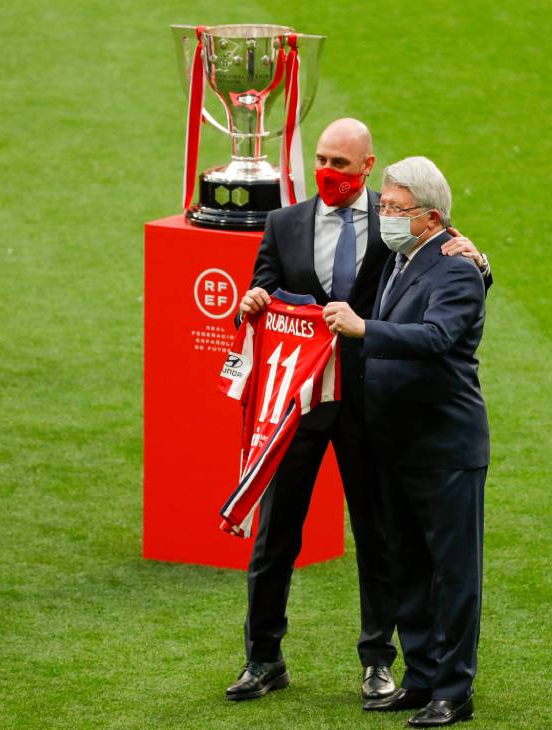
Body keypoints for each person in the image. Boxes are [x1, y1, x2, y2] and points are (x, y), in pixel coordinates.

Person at [227, 118, 492, 703]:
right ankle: (262, 656)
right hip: (299, 402)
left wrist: (482, 261)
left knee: (378, 537)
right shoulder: (283, 223)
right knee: (276, 535)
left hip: (368, 402)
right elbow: (264, 292)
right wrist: (252, 302)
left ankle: (379, 660)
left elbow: (443, 271)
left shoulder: (396, 219)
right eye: (321, 158)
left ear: (367, 166)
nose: (328, 171)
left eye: (341, 163)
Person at [323, 156, 490, 727]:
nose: (385, 217)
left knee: (453, 573)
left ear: (432, 217)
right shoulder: (399, 259)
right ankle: (421, 678)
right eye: (385, 207)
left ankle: (454, 690)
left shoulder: (456, 268)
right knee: (410, 570)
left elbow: (439, 336)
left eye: (396, 210)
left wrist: (365, 328)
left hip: (443, 447)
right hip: (395, 445)